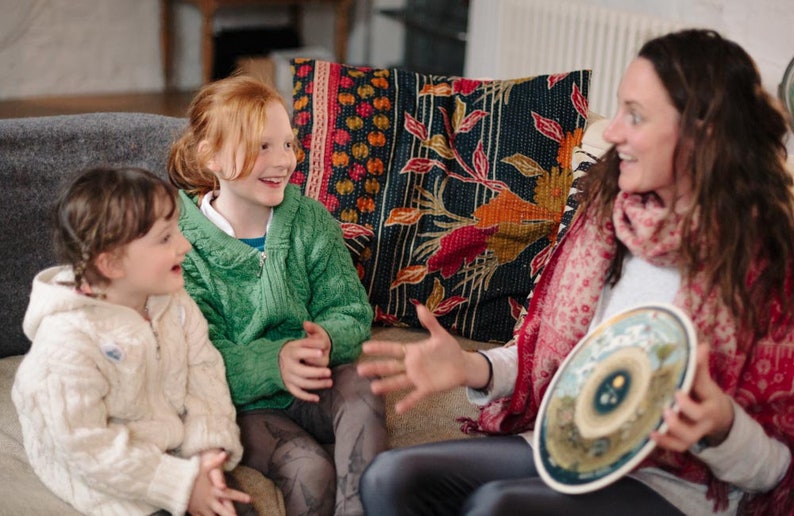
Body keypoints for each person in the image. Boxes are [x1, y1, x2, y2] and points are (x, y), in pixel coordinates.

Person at [357, 29, 794, 516]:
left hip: (676, 486)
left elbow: (778, 469)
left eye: (636, 115)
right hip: (567, 447)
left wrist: (721, 425)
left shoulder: (766, 267)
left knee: (498, 507)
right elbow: (542, 359)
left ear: (702, 133)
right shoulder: (607, 219)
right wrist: (469, 368)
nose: (611, 132)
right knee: (391, 478)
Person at [167, 75, 386, 516]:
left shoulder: (310, 220)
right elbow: (198, 357)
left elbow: (349, 309)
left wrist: (327, 338)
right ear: (210, 155)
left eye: (287, 144)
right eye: (262, 146)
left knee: (364, 385)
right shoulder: (180, 245)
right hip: (242, 406)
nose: (283, 160)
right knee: (310, 469)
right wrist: (275, 362)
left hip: (317, 383)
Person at [12, 166, 253, 516]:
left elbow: (204, 372)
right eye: (165, 238)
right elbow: (87, 447)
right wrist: (180, 486)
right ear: (111, 264)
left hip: (173, 448)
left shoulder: (175, 303)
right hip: (106, 473)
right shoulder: (65, 344)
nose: (184, 245)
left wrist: (207, 452)